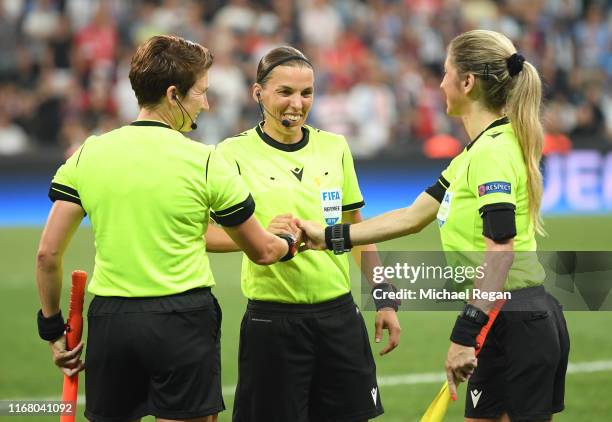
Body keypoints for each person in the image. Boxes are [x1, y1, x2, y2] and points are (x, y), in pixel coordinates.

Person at [298, 30, 570, 422]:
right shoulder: (474, 154)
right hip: (502, 317)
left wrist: (464, 333)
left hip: (515, 320)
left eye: (445, 73)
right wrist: (328, 236)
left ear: (467, 82)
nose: (439, 83)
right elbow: (411, 217)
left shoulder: (492, 154)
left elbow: (501, 250)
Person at [35, 35, 298, 422]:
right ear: (174, 94)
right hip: (184, 321)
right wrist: (289, 241)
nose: (205, 104)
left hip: (113, 322)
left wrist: (53, 329)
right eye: (201, 93)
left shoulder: (89, 153)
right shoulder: (204, 160)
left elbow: (47, 254)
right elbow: (262, 251)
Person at [205, 46, 401, 422]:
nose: (297, 103)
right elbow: (204, 234)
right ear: (257, 93)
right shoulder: (230, 155)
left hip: (340, 316)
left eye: (306, 93)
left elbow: (356, 228)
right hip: (273, 322)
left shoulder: (335, 147)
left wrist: (384, 297)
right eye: (285, 92)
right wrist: (259, 237)